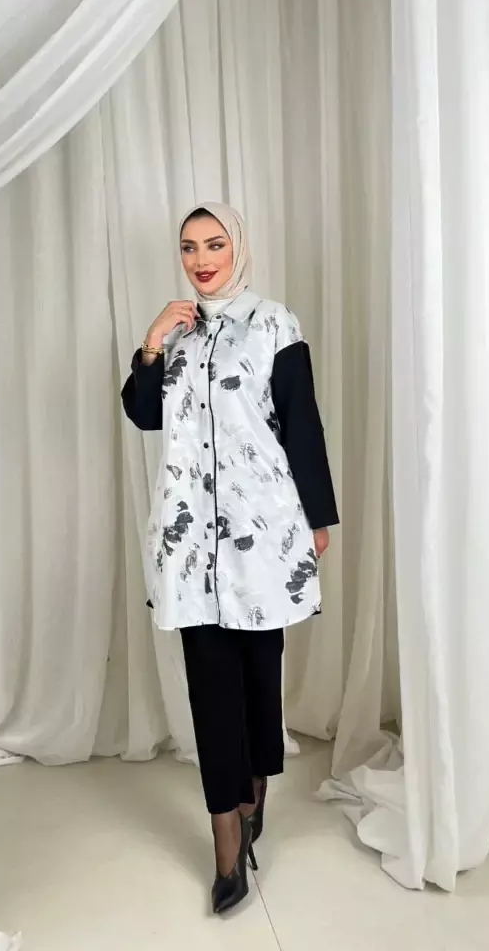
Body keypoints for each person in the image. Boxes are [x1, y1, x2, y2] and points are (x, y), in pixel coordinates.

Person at [121, 202, 338, 915]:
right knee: (209, 682)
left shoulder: (274, 323)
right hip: (190, 542)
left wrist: (317, 517)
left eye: (214, 244)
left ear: (237, 247)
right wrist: (151, 342)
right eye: (189, 247)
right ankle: (226, 841)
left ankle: (255, 791)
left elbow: (301, 422)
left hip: (264, 528)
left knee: (258, 673)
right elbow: (145, 414)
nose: (201, 259)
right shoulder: (178, 333)